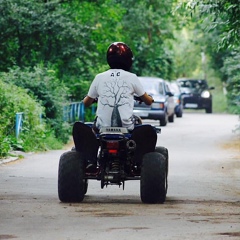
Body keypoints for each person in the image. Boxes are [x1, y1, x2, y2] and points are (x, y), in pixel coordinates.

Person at [83, 42, 154, 131]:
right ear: (128, 60)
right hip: (126, 127)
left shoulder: (99, 77)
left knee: (93, 128)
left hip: (102, 127)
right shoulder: (132, 77)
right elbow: (148, 101)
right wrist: (150, 99)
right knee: (138, 121)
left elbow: (86, 103)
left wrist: (91, 99)